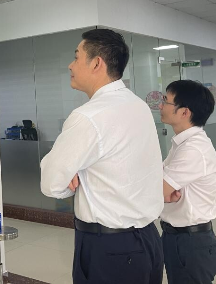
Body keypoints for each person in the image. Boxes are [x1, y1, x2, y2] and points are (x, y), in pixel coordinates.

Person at [40, 28, 164, 284]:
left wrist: (74, 178)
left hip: (109, 249)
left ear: (97, 63)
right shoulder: (138, 106)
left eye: (76, 57)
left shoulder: (88, 116)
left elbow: (51, 183)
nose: (70, 65)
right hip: (149, 240)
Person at [159, 80, 216, 284]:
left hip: (191, 244)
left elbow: (156, 190)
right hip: (178, 238)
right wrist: (163, 193)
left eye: (166, 101)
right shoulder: (181, 144)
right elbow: (159, 184)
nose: (160, 105)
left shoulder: (193, 149)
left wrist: (161, 193)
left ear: (184, 112)